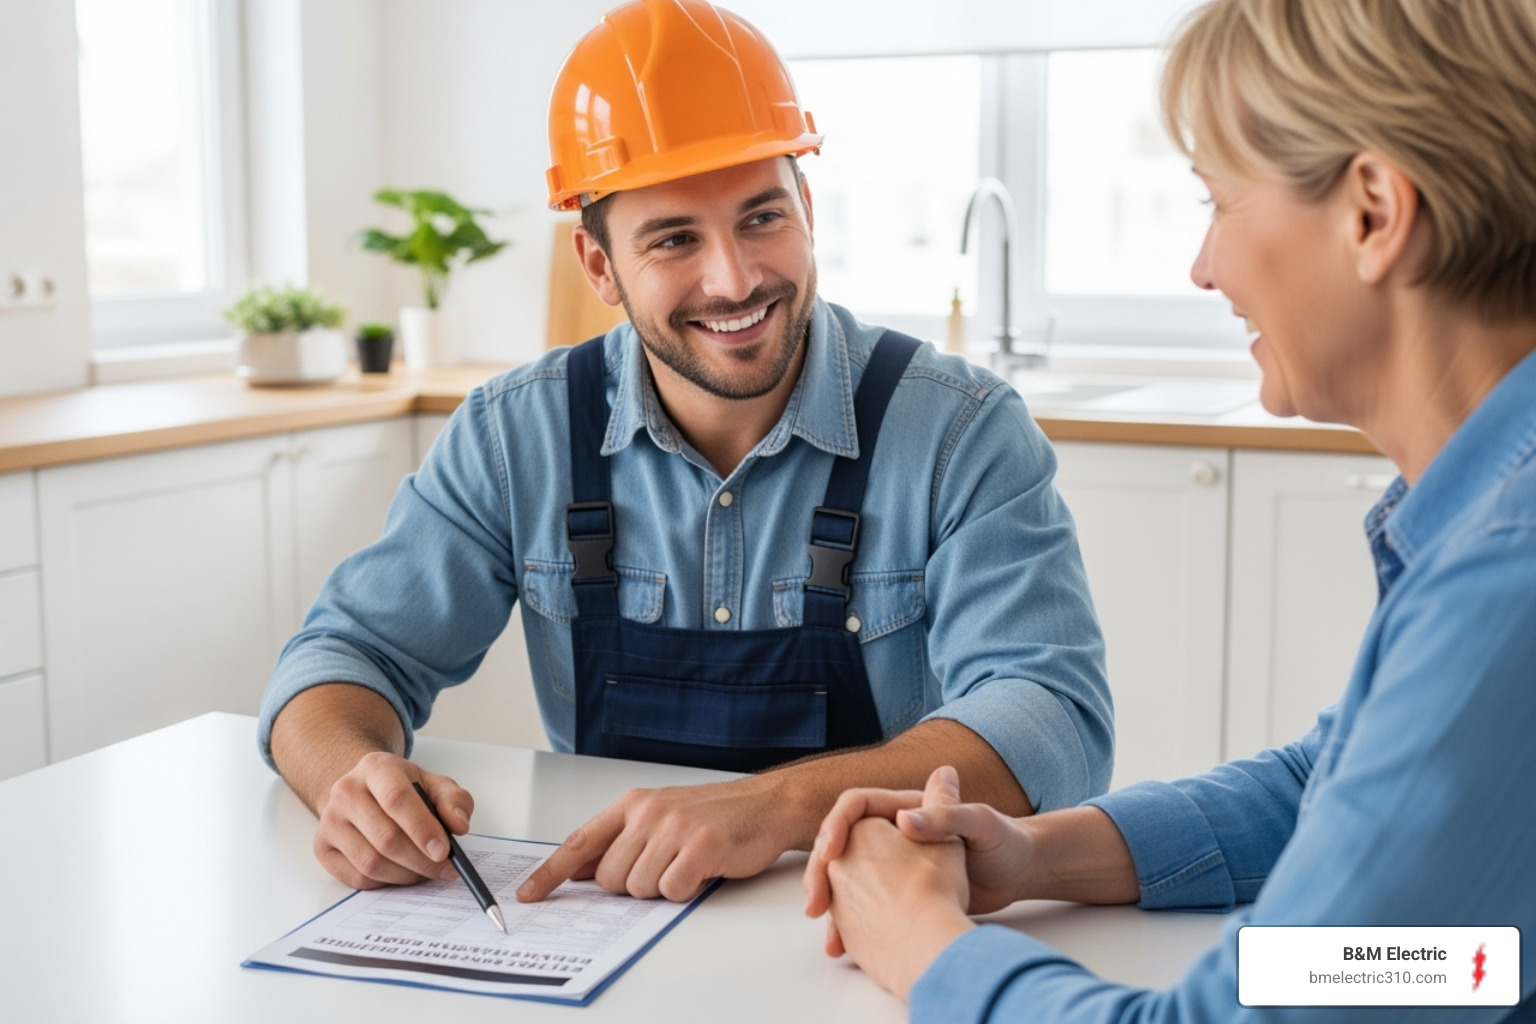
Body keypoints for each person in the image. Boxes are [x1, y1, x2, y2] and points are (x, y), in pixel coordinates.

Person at [257, 0, 1112, 906]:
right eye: (674, 239)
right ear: (599, 267)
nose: (735, 279)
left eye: (761, 218)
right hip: (608, 930)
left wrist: (768, 807)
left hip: (870, 927)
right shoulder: (517, 435)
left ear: (808, 208)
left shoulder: (959, 432)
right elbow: (341, 658)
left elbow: (1053, 719)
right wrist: (350, 777)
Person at [803, 0, 1536, 1018]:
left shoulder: (1509, 574)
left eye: (1220, 202)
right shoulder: (1489, 511)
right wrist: (1032, 854)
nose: (1204, 267)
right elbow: (1384, 863)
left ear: (1372, 211)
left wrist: (926, 947)